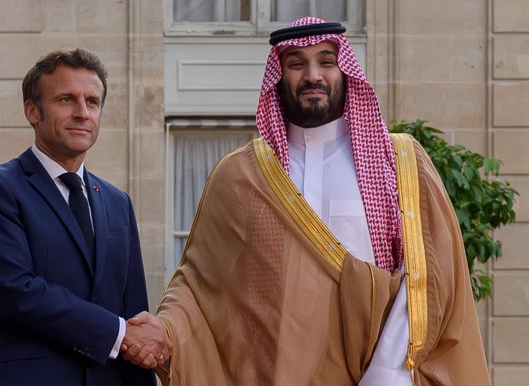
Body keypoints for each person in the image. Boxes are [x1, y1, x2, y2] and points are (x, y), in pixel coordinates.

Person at [126, 17, 490, 385]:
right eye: (297, 63)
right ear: (279, 75)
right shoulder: (240, 175)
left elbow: (428, 274)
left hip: (381, 371)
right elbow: (199, 283)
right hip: (277, 372)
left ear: (345, 70)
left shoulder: (398, 161)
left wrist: (387, 371)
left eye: (326, 61)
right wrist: (165, 330)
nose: (313, 75)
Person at [0, 48, 172, 386]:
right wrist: (121, 333)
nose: (82, 113)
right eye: (66, 100)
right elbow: (16, 292)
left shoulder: (118, 203)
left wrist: (138, 342)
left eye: (93, 102)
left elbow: (133, 313)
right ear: (32, 111)